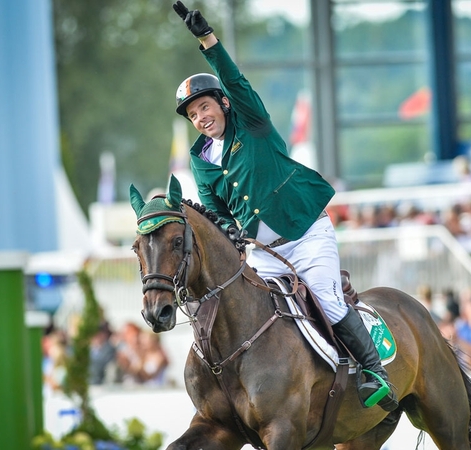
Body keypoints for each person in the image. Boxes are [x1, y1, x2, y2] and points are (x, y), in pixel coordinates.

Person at [170, 1, 397, 411]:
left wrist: (208, 40)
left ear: (222, 104)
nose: (199, 117)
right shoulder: (200, 159)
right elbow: (215, 207)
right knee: (247, 308)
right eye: (191, 114)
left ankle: (373, 372)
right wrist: (227, 229)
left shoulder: (251, 122)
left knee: (327, 300)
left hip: (305, 233)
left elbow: (236, 81)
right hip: (265, 253)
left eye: (204, 106)